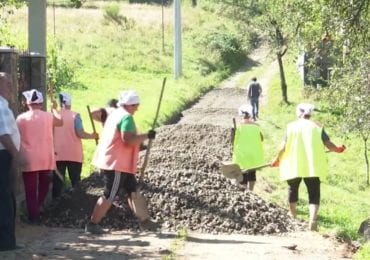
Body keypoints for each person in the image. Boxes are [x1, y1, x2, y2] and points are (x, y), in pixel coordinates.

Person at [85, 90, 158, 234]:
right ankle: (92, 224)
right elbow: (128, 139)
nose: (137, 108)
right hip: (116, 164)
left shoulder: (115, 115)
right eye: (136, 105)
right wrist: (146, 135)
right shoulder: (126, 118)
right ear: (129, 105)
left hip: (120, 163)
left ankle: (145, 222)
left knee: (133, 190)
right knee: (110, 195)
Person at [271, 103, 345, 231]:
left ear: (298, 113)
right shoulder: (317, 127)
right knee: (314, 193)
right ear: (310, 114)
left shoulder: (291, 127)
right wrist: (337, 149)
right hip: (312, 165)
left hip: (294, 164)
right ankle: (313, 220)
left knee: (292, 189)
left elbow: (282, 147)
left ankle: (293, 215)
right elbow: (328, 144)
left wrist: (277, 160)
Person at [16, 89, 63, 223]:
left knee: (30, 190)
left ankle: (34, 216)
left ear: (27, 103)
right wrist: (54, 109)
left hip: (29, 158)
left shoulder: (21, 118)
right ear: (41, 103)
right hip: (45, 157)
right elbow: (60, 122)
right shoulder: (48, 116)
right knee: (44, 183)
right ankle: (39, 205)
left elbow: (16, 136)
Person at [52, 92, 99, 199]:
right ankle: (76, 203)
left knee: (57, 182)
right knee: (75, 181)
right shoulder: (75, 116)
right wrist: (92, 136)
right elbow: (80, 133)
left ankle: (55, 207)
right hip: (74, 154)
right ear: (70, 103)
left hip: (57, 154)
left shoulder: (54, 116)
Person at [0, 72, 24, 251]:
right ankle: (5, 242)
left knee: (7, 197)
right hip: (4, 156)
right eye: (7, 83)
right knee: (5, 199)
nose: (10, 87)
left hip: (6, 155)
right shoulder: (0, 107)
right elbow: (3, 134)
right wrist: (16, 155)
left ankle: (8, 240)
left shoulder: (4, 106)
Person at [232, 104, 264, 191]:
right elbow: (261, 138)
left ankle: (244, 192)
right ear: (250, 115)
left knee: (243, 173)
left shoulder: (238, 127)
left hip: (242, 153)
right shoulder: (256, 126)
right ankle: (251, 191)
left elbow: (233, 140)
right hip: (253, 153)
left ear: (241, 115)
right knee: (252, 172)